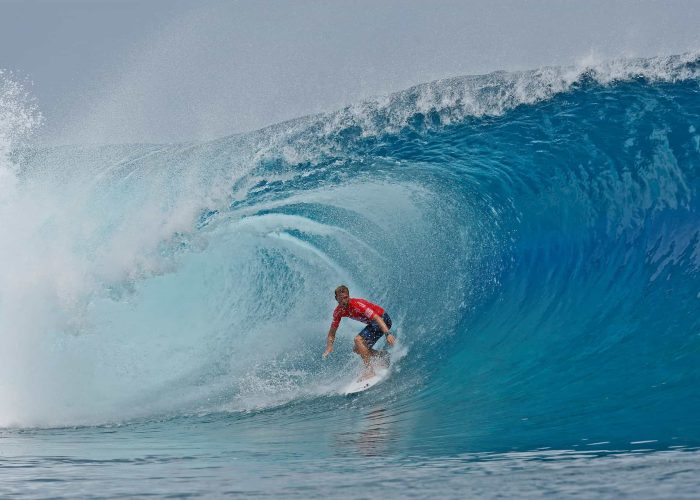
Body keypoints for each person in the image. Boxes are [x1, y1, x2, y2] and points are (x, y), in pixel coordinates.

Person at [322, 285, 396, 378]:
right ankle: (382, 355)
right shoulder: (338, 312)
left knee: (358, 340)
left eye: (346, 297)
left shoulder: (358, 304)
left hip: (383, 319)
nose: (344, 301)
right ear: (336, 298)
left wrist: (388, 334)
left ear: (349, 296)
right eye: (341, 299)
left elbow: (377, 317)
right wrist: (329, 347)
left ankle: (369, 370)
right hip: (374, 323)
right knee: (357, 349)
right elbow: (332, 333)